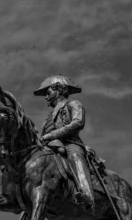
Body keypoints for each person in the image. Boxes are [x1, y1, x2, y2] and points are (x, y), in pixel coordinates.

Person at [34, 75, 95, 210]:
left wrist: (51, 135)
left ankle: (87, 196)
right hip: (52, 147)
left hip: (70, 144)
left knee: (75, 157)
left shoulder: (73, 104)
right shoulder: (47, 119)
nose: (46, 97)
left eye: (48, 93)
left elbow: (78, 123)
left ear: (59, 90)